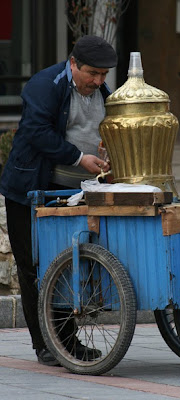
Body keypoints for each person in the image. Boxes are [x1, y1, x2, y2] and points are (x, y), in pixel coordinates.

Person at [0, 35, 117, 366]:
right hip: (30, 188)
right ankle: (46, 345)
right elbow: (37, 132)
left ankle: (66, 340)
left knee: (69, 263)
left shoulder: (102, 93)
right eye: (92, 73)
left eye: (104, 75)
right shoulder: (45, 84)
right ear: (74, 64)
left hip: (76, 191)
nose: (97, 81)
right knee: (34, 266)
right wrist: (81, 157)